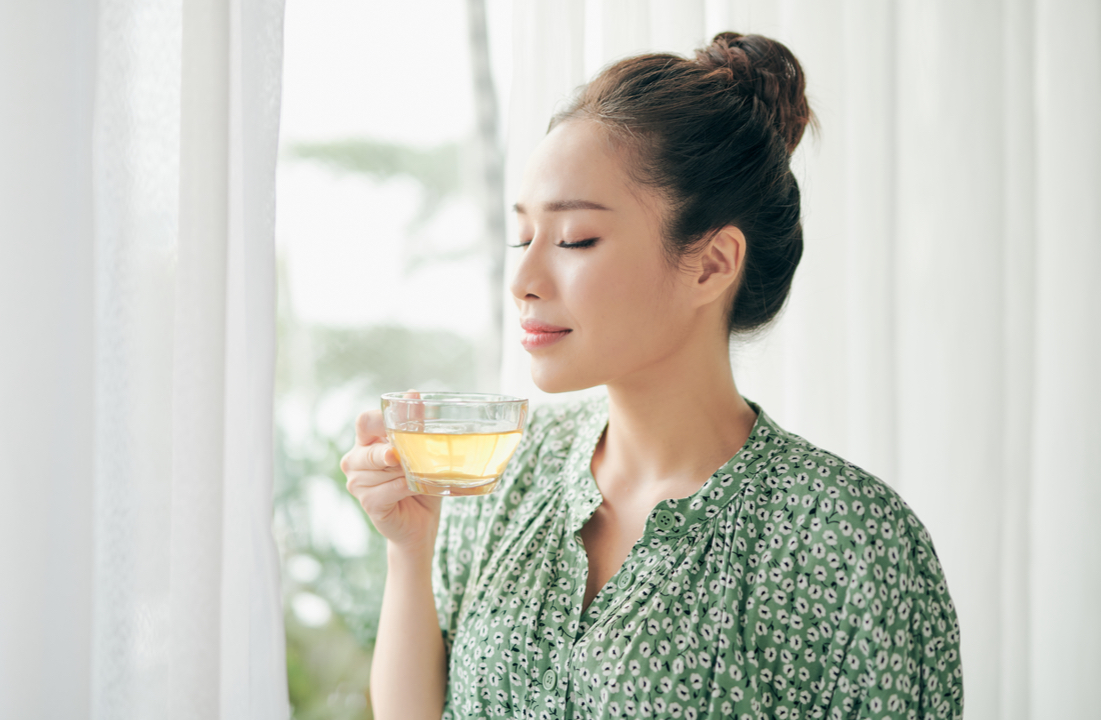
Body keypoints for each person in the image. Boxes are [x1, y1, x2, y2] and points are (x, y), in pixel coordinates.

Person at [341, 31, 963, 720]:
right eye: (524, 238)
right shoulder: (505, 478)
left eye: (575, 239)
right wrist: (410, 548)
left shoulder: (845, 541)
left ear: (712, 263)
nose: (523, 279)